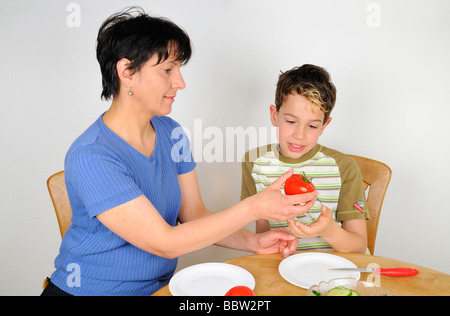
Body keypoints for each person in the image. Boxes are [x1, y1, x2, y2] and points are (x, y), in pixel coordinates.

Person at [41, 7, 317, 296]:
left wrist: (253, 242)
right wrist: (254, 207)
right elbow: (164, 241)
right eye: (168, 70)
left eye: (179, 69)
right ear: (126, 72)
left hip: (159, 290)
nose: (180, 82)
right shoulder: (91, 155)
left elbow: (194, 214)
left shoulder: (171, 133)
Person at [241, 64, 370, 254]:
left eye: (312, 126)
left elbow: (359, 248)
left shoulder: (344, 167)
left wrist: (329, 230)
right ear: (274, 115)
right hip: (284, 268)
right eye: (291, 122)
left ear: (324, 125)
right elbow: (263, 236)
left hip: (334, 272)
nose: (299, 135)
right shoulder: (254, 162)